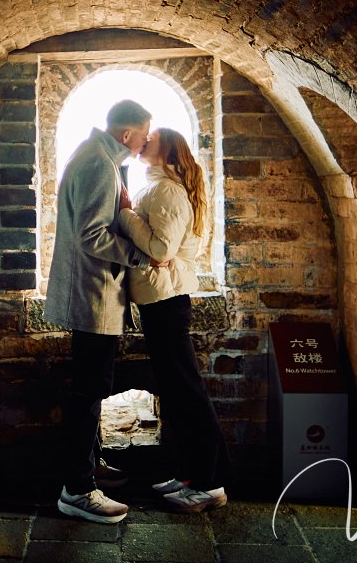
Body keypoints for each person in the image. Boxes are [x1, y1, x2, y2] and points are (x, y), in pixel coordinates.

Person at [44, 99, 158, 524]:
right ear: (127, 135)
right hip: (92, 295)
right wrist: (140, 257)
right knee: (89, 392)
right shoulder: (97, 163)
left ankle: (87, 467)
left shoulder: (98, 157)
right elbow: (92, 234)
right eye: (143, 135)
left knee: (90, 387)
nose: (145, 143)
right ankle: (77, 490)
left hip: (95, 294)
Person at [117, 127, 231, 513]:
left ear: (167, 152)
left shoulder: (165, 190)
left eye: (152, 140)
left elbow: (160, 249)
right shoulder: (159, 185)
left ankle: (209, 483)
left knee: (187, 393)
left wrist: (125, 214)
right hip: (161, 298)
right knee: (179, 391)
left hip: (166, 299)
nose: (143, 141)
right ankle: (190, 474)